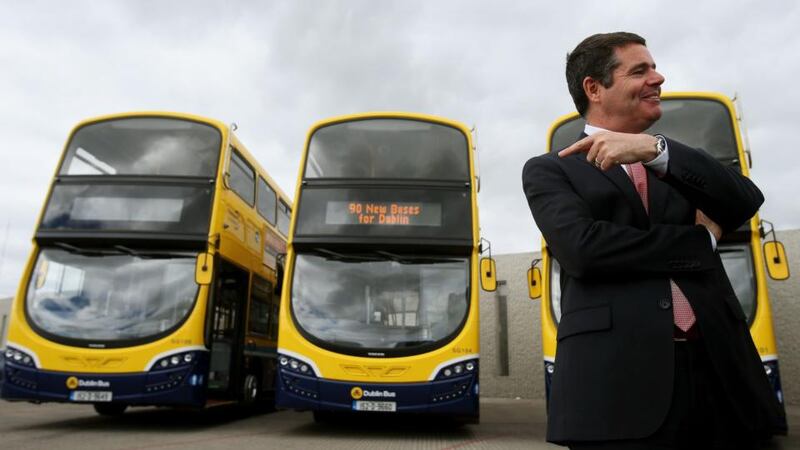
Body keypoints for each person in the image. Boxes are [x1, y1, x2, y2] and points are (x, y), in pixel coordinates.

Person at [521, 32, 786, 449]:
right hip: (617, 389)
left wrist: (655, 149)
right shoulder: (551, 170)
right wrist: (699, 243)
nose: (658, 78)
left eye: (655, 67)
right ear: (595, 87)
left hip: (722, 380)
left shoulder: (673, 160)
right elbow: (584, 250)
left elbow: (745, 201)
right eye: (640, 70)